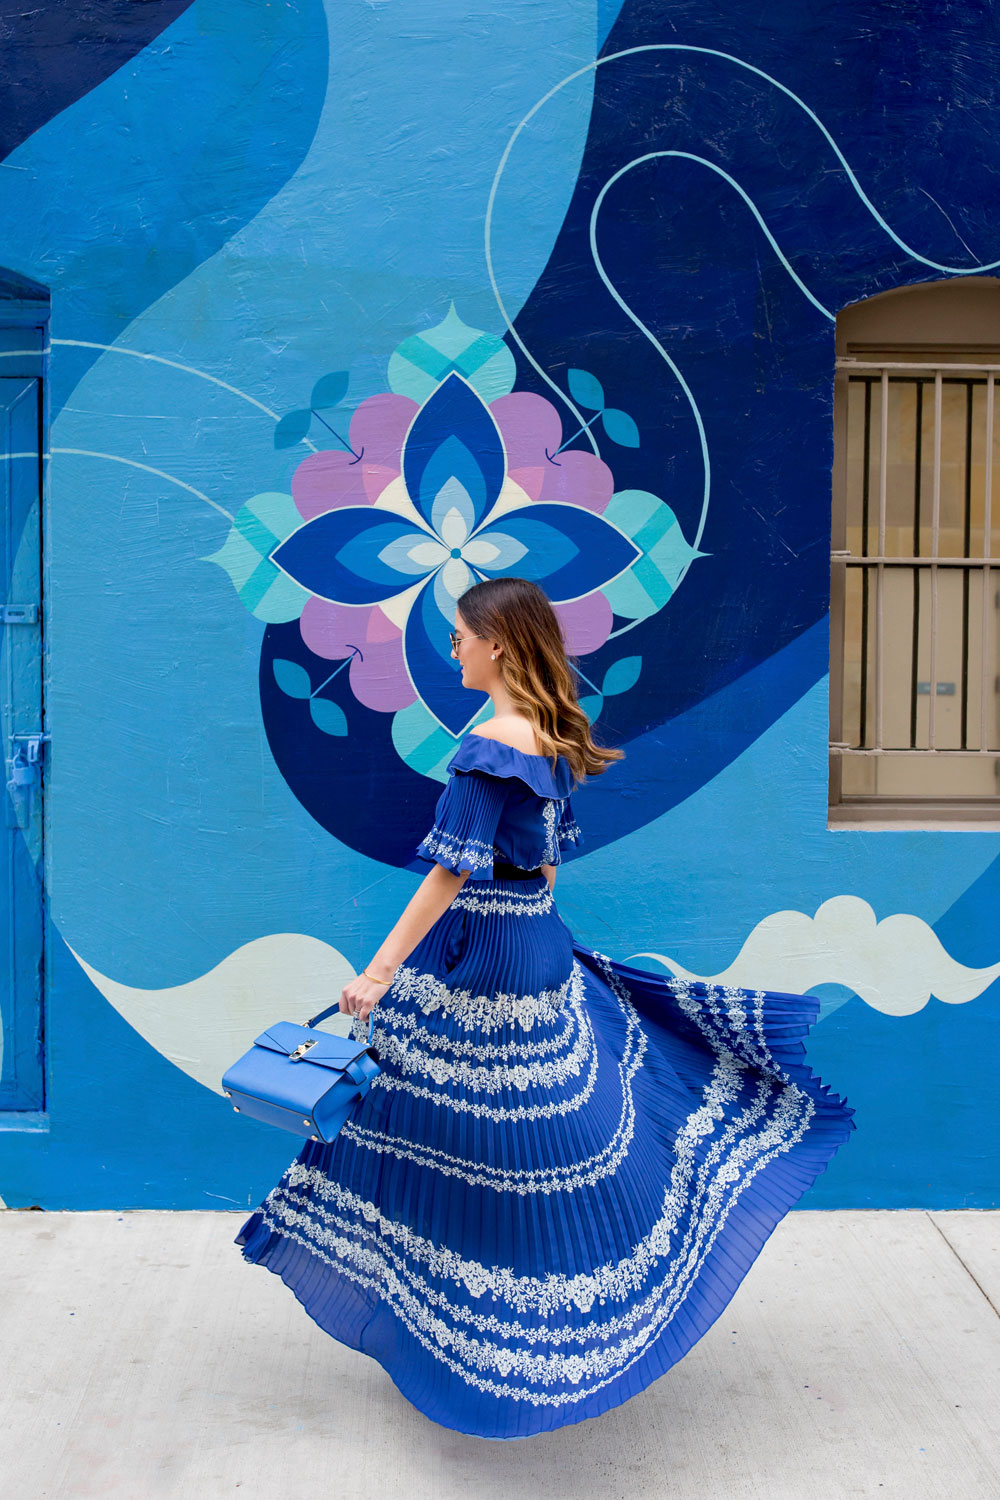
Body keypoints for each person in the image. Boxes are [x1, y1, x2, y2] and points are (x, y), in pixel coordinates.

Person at [235, 575, 856, 1441]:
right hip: (534, 946)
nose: (451, 648)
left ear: (496, 642)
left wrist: (378, 972)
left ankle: (475, 1326)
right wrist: (541, 944)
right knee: (514, 1137)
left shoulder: (487, 744)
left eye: (460, 635)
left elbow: (450, 872)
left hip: (481, 961)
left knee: (417, 1126)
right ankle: (491, 1311)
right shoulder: (556, 739)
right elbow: (548, 869)